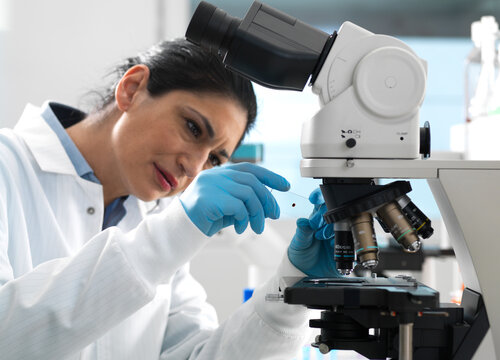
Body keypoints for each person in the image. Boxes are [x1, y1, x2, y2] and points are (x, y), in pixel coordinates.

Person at [0, 39, 337, 359]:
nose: (193, 168)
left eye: (214, 160)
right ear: (132, 89)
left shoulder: (153, 221)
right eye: (192, 128)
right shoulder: (7, 168)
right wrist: (171, 236)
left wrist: (294, 287)